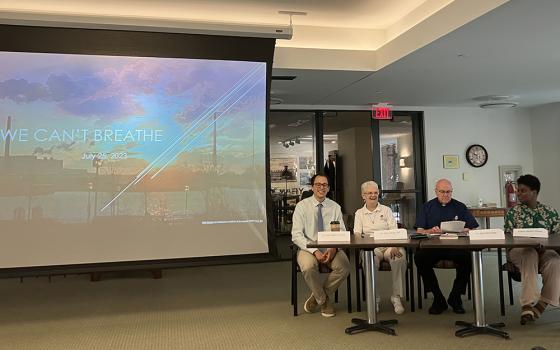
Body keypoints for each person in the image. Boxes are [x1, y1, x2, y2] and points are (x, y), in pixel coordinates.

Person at [414, 178, 479, 314]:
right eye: (442, 191)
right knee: (419, 258)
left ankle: (456, 297)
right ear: (436, 191)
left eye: (448, 192)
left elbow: (473, 229)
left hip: (455, 246)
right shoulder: (427, 207)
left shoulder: (460, 207)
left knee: (468, 259)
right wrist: (430, 231)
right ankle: (438, 298)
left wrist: (460, 230)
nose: (445, 194)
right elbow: (419, 231)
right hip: (433, 247)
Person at [291, 173, 351, 317]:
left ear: (328, 188)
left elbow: (341, 231)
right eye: (318, 184)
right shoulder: (301, 207)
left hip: (331, 246)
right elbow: (296, 235)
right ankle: (323, 300)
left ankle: (316, 297)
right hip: (309, 247)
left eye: (324, 185)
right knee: (307, 267)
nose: (321, 188)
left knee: (345, 267)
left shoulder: (335, 207)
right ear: (312, 187)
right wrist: (315, 251)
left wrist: (333, 248)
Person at [505, 174, 560, 325]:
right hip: (519, 251)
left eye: (523, 190)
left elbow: (556, 237)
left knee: (555, 261)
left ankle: (542, 304)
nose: (518, 193)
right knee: (529, 254)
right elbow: (507, 238)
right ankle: (527, 304)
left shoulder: (550, 212)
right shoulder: (513, 213)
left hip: (545, 250)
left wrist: (545, 247)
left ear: (534, 192)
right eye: (518, 190)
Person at [353, 180, 406, 315]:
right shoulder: (359, 213)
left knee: (399, 258)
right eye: (369, 193)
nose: (373, 195)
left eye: (375, 192)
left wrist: (394, 245)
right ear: (363, 195)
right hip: (371, 248)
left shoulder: (386, 210)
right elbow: (357, 235)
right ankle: (374, 298)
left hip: (389, 246)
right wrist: (367, 244)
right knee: (369, 260)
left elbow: (394, 230)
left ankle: (396, 297)